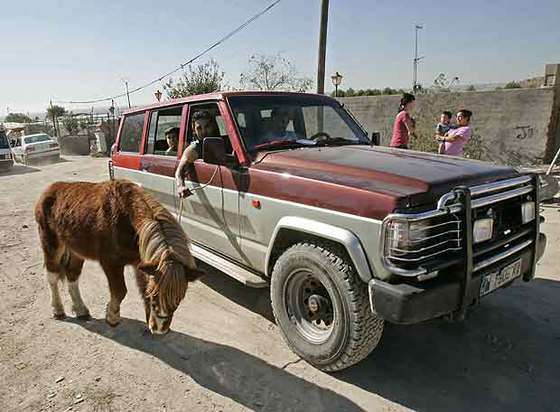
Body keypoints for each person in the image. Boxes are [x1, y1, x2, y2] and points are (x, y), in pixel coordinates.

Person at [175, 110, 219, 197]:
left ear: (213, 127)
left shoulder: (222, 142)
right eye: (199, 128)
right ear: (194, 130)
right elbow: (179, 171)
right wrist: (181, 186)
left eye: (207, 127)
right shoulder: (193, 149)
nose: (204, 131)